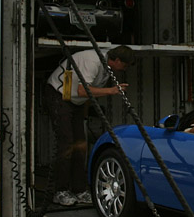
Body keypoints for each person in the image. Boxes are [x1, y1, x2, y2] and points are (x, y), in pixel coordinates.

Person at [46, 45, 135, 206]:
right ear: (116, 60)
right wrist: (111, 91)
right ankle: (60, 191)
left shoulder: (107, 67)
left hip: (76, 102)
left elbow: (86, 94)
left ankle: (79, 189)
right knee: (66, 143)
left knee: (80, 144)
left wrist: (84, 113)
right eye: (125, 65)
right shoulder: (92, 61)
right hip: (60, 95)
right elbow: (82, 90)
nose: (125, 69)